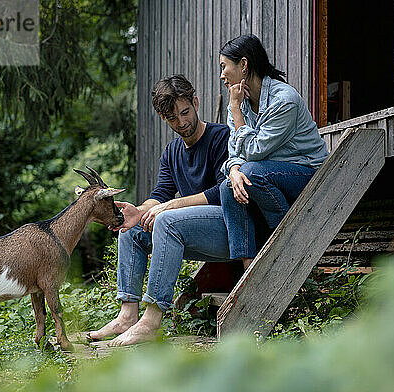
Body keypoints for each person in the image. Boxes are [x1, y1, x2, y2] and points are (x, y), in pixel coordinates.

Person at [89, 74, 230, 346]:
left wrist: (172, 205)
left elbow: (221, 192)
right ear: (164, 118)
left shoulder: (221, 137)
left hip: (228, 230)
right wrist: (139, 211)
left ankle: (151, 321)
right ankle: (127, 316)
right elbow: (161, 195)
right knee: (133, 231)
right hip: (193, 233)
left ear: (196, 103)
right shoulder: (171, 152)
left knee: (167, 220)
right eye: (172, 118)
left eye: (185, 112)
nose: (181, 122)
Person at [218, 34, 329, 270]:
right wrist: (234, 171)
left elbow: (255, 150)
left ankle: (287, 245)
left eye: (224, 66)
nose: (222, 75)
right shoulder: (238, 103)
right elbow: (234, 153)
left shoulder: (283, 100)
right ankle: (248, 267)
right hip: (267, 173)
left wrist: (236, 111)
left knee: (252, 173)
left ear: (244, 65)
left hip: (308, 174)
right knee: (228, 186)